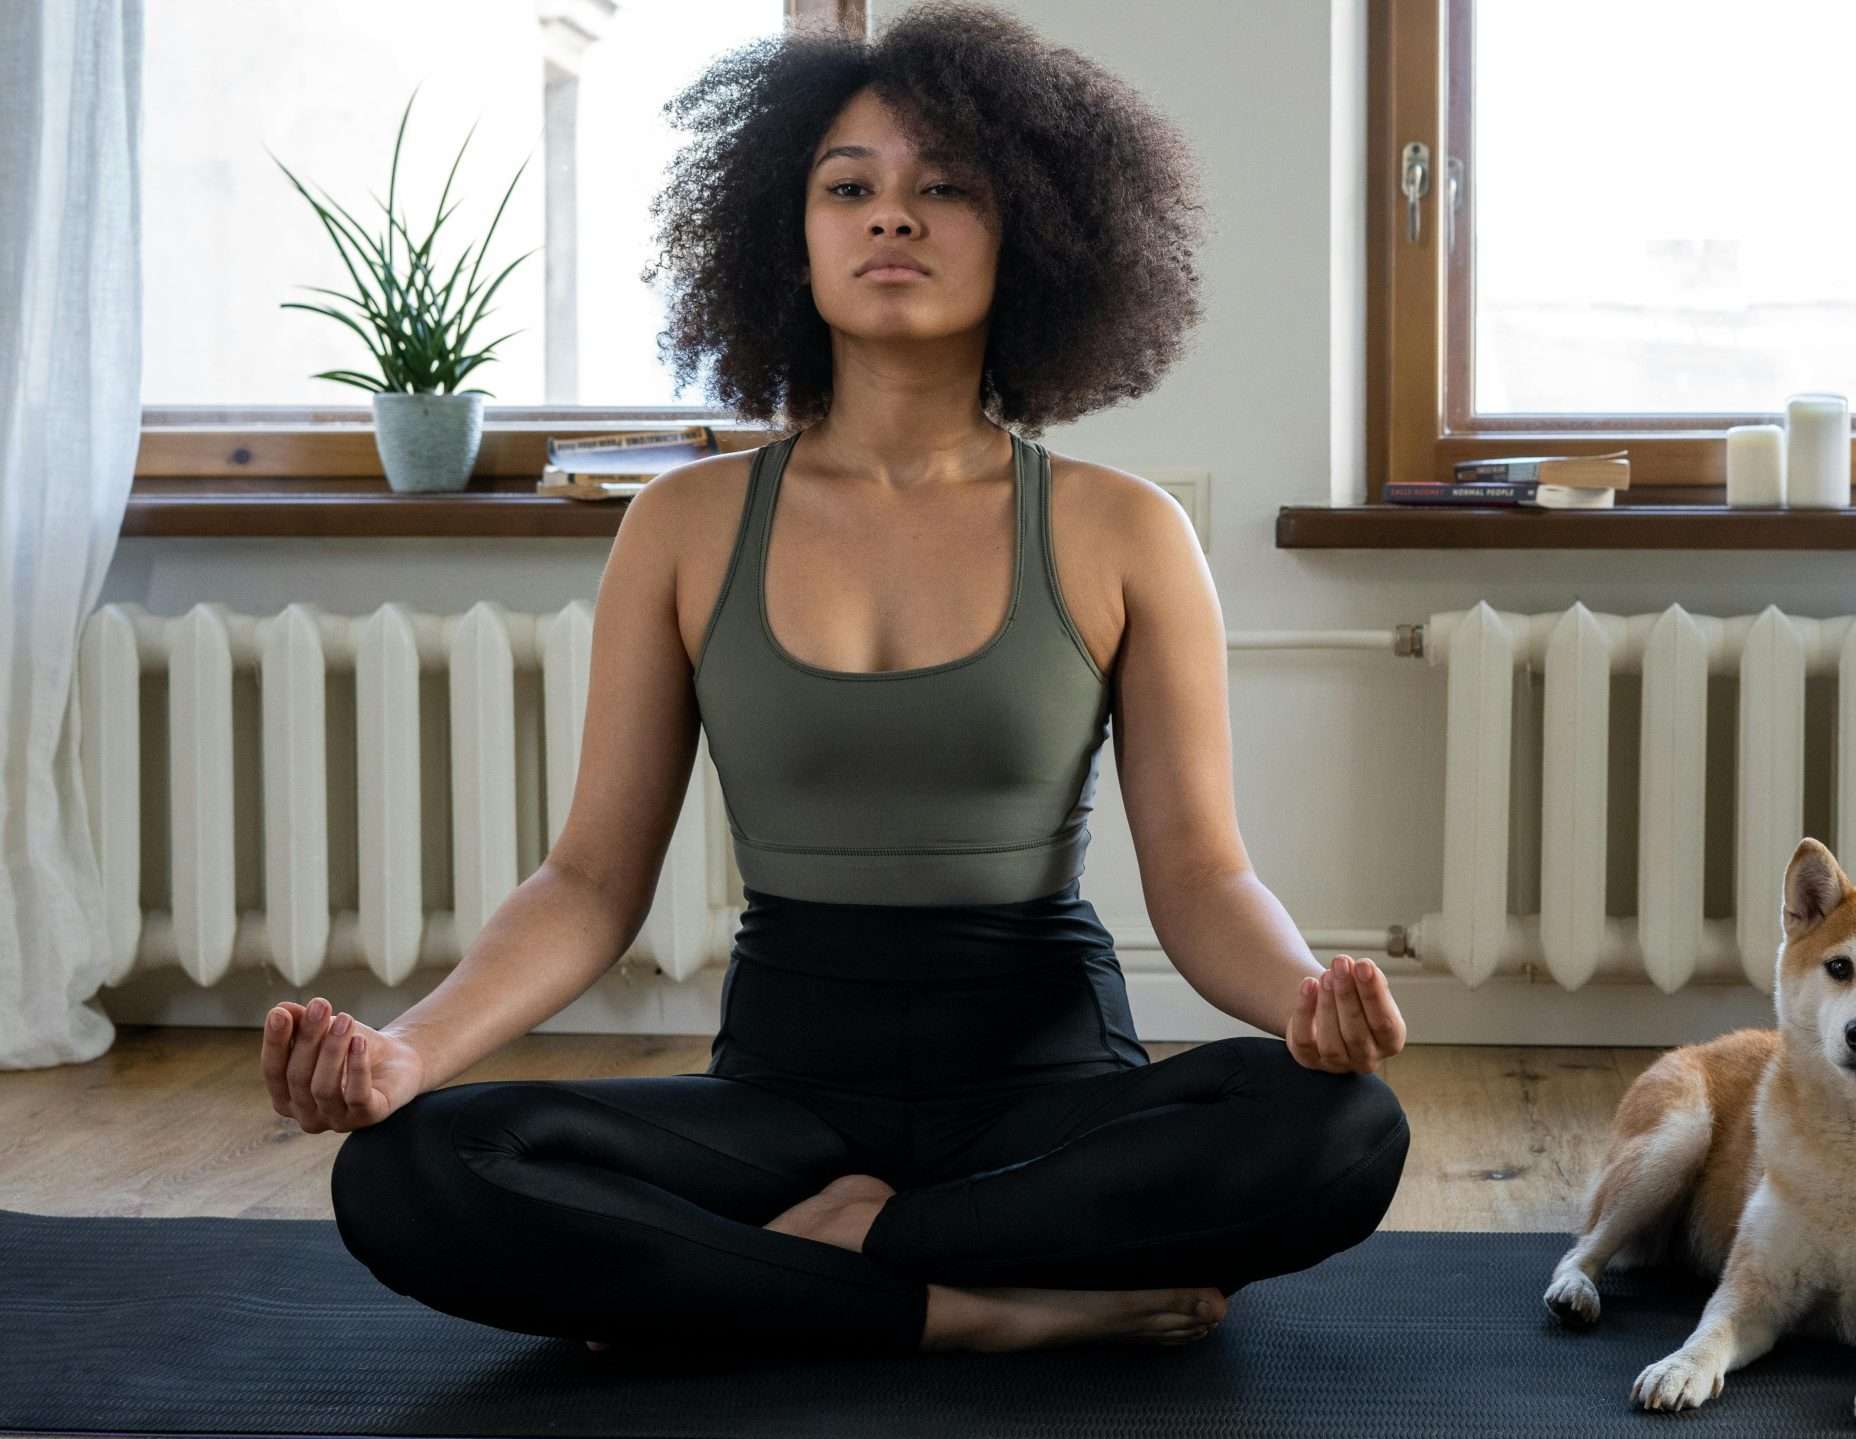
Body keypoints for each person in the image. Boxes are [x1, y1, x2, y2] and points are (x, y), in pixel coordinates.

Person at [262, 1, 1411, 1359]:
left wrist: (1304, 1007)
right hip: (781, 1105)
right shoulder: (682, 525)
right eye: (848, 188)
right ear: (786, 238)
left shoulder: (1123, 530)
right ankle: (965, 1307)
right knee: (413, 1169)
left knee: (1340, 1128)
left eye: (947, 188)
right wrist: (407, 1053)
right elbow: (588, 883)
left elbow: (1204, 878)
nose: (893, 217)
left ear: (1033, 231)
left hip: (1046, 1094)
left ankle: (821, 1264)